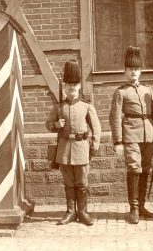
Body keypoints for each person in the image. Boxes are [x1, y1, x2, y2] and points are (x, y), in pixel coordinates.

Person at [109, 46, 153, 224]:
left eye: (136, 69)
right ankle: (133, 208)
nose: (134, 72)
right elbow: (115, 118)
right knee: (134, 168)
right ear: (125, 71)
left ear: (140, 71)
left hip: (149, 135)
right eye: (130, 69)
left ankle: (142, 206)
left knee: (144, 169)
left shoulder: (148, 90)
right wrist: (118, 142)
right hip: (130, 134)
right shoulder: (121, 92)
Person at [45, 59, 101, 226]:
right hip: (64, 150)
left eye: (75, 84)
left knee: (82, 182)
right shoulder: (58, 107)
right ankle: (70, 212)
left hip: (82, 148)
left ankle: (82, 212)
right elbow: (47, 124)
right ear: (65, 87)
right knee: (68, 182)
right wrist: (56, 125)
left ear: (79, 86)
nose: (72, 87)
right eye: (69, 84)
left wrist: (94, 145)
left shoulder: (86, 106)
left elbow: (96, 127)